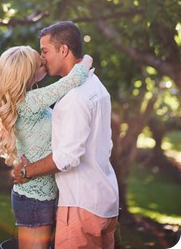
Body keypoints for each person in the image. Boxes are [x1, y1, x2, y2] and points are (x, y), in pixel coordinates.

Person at [14, 21, 119, 249]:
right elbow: (106, 145)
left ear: (63, 50)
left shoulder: (74, 98)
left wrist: (25, 171)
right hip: (106, 201)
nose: (42, 58)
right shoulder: (97, 86)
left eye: (44, 51)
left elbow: (67, 158)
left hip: (81, 207)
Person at [0, 45, 93, 249]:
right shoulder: (30, 102)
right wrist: (85, 57)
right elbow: (74, 78)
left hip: (39, 194)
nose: (45, 61)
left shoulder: (26, 101)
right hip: (35, 198)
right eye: (41, 62)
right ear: (29, 72)